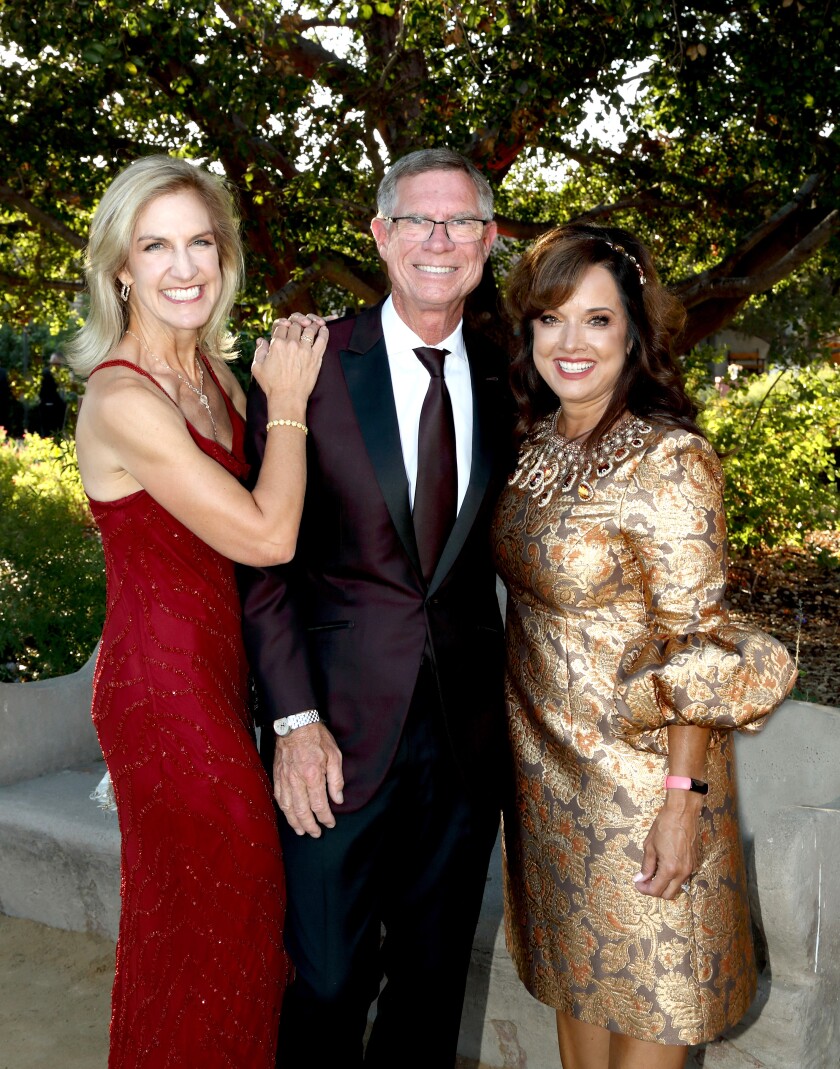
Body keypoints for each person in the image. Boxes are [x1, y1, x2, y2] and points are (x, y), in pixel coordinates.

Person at [492, 223, 797, 1069]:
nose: (570, 342)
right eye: (551, 319)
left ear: (633, 329)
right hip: (551, 792)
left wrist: (681, 800)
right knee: (578, 1025)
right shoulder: (535, 446)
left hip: (643, 791)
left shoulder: (670, 459)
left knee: (653, 1025)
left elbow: (696, 647)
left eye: (596, 319)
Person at [238, 147, 513, 1068]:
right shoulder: (305, 364)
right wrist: (294, 718)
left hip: (466, 745)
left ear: (489, 239)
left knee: (431, 990)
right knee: (324, 981)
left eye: (462, 222)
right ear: (380, 235)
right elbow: (264, 562)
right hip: (335, 734)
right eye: (417, 221)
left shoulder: (514, 370)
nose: (440, 240)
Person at [66, 154, 326, 1069]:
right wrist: (286, 402)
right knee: (231, 907)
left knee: (217, 930)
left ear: (224, 256)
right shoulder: (122, 394)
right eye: (156, 246)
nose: (184, 267)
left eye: (200, 243)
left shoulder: (210, 374)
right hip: (160, 691)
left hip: (218, 678)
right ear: (121, 269)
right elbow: (265, 538)